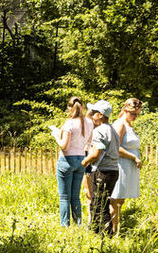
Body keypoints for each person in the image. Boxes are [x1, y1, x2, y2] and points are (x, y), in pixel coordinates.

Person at [81, 100, 120, 236]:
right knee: (101, 202)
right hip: (113, 170)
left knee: (99, 205)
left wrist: (84, 162)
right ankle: (97, 232)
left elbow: (96, 154)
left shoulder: (99, 131)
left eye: (94, 113)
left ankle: (104, 235)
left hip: (103, 171)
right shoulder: (112, 130)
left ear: (101, 115)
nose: (92, 116)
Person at [56, 96, 92, 226]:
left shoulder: (69, 123)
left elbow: (64, 146)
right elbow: (89, 142)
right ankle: (78, 224)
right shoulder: (89, 122)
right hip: (81, 159)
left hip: (67, 159)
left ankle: (65, 226)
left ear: (69, 108)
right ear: (82, 107)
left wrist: (56, 137)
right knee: (75, 196)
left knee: (64, 197)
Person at [110, 99, 143, 234]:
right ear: (125, 110)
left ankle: (116, 229)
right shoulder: (120, 124)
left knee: (120, 200)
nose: (135, 117)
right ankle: (112, 231)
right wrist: (133, 157)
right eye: (133, 114)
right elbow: (115, 148)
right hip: (121, 165)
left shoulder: (129, 125)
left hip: (128, 167)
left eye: (137, 114)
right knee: (115, 200)